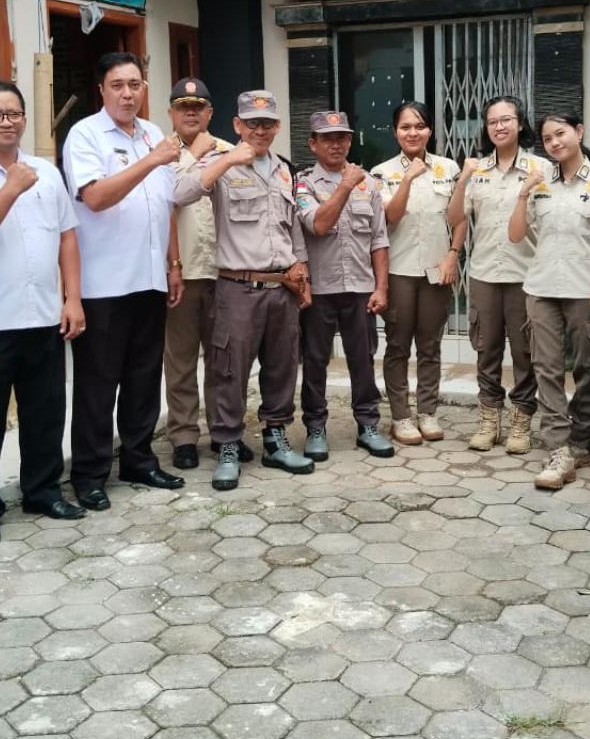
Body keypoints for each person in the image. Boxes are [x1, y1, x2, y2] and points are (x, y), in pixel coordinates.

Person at [0, 80, 86, 547]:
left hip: (43, 315)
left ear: (25, 119)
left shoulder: (46, 171)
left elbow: (67, 235)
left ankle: (42, 491)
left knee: (45, 413)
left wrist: (72, 298)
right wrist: (9, 188)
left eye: (14, 114)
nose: (6, 122)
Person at [61, 53, 186, 512]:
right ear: (102, 90)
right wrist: (152, 161)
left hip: (149, 278)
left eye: (135, 84)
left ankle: (138, 460)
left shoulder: (153, 133)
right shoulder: (85, 135)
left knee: (143, 377)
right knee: (98, 385)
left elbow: (165, 204)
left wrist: (174, 263)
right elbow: (95, 197)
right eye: (118, 85)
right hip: (103, 285)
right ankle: (90, 474)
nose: (128, 94)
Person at [173, 90, 314, 491]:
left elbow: (292, 227)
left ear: (277, 127)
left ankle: (275, 439)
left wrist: (301, 269)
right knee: (229, 371)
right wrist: (227, 161)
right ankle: (228, 445)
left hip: (281, 287)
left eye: (267, 123)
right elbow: (179, 194)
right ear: (237, 125)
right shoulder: (221, 162)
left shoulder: (284, 170)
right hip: (238, 287)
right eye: (252, 123)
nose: (260, 130)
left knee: (282, 366)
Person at [508, 112, 590, 491]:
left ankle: (580, 441)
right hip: (542, 287)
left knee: (588, 367)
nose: (554, 143)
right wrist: (523, 193)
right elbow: (516, 235)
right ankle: (558, 449)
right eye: (548, 138)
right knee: (546, 368)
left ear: (579, 132)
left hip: (585, 289)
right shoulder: (540, 181)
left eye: (561, 134)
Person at [294, 111, 394, 461]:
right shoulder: (304, 184)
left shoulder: (370, 185)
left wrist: (381, 287)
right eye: (327, 138)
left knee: (363, 360)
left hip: (360, 288)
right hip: (319, 290)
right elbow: (318, 225)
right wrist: (346, 185)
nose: (336, 144)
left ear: (350, 141)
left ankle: (368, 425)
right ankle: (315, 427)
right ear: (313, 144)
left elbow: (379, 240)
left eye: (342, 138)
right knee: (315, 361)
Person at [446, 96, 541, 454]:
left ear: (520, 123)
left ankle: (521, 421)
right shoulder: (477, 170)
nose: (499, 126)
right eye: (492, 121)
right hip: (485, 273)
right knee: (486, 350)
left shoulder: (540, 169)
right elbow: (454, 218)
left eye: (506, 120)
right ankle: (489, 420)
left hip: (526, 274)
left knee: (525, 352)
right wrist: (463, 179)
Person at [162, 77, 245, 470]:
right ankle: (183, 436)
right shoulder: (160, 153)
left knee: (222, 361)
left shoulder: (230, 152)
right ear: (171, 113)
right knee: (180, 360)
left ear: (210, 113)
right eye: (183, 107)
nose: (191, 113)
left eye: (198, 107)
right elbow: (164, 203)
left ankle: (223, 432)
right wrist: (172, 265)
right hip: (182, 273)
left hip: (224, 270)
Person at [371, 102, 464, 446]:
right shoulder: (381, 173)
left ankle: (427, 412)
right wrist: (408, 178)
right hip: (399, 270)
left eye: (420, 126)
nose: (413, 133)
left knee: (430, 345)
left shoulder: (448, 168)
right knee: (397, 345)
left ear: (430, 130)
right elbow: (390, 217)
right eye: (405, 127)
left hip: (437, 270)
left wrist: (453, 254)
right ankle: (400, 416)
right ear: (395, 132)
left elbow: (459, 216)